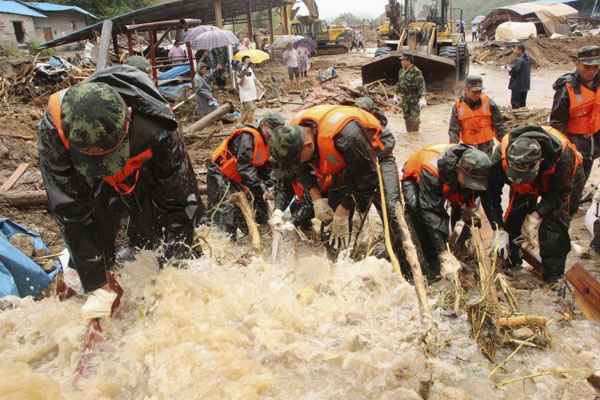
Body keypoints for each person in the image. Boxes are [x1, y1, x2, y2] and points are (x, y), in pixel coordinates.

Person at [38, 65, 204, 321]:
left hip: (144, 171)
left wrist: (175, 281)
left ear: (128, 121)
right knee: (95, 236)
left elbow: (179, 200)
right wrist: (96, 280)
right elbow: (70, 208)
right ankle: (91, 287)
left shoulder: (158, 126)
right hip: (90, 183)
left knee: (158, 234)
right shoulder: (54, 128)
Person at [269, 105, 406, 267]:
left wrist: (345, 208)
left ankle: (403, 261)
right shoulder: (293, 137)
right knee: (331, 221)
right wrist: (317, 199)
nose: (297, 164)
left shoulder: (347, 135)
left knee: (391, 211)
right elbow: (301, 170)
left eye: (297, 160)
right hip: (342, 163)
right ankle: (337, 263)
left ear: (308, 145)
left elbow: (367, 177)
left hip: (375, 157)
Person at [487, 125, 583, 284]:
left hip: (563, 182)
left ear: (540, 162)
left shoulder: (564, 158)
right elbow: (491, 194)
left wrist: (536, 215)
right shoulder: (500, 156)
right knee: (515, 216)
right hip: (528, 183)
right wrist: (498, 227)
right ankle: (511, 260)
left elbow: (558, 194)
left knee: (554, 227)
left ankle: (553, 277)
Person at [401, 144, 499, 278]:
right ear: (459, 170)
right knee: (417, 209)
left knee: (456, 210)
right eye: (469, 181)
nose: (471, 186)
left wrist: (470, 210)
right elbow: (432, 212)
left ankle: (452, 245)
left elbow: (478, 196)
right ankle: (431, 257)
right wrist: (443, 253)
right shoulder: (432, 170)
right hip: (415, 177)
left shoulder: (478, 167)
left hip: (449, 180)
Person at [207, 113, 286, 239]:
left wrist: (270, 185)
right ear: (264, 126)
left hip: (237, 175)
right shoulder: (247, 137)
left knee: (247, 206)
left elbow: (263, 166)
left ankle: (253, 233)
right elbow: (245, 168)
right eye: (272, 132)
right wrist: (261, 188)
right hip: (220, 171)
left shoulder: (267, 142)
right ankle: (223, 240)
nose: (274, 137)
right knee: (224, 208)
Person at [551, 46, 600, 214]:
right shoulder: (567, 89)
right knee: (570, 183)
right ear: (578, 64)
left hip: (594, 143)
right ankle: (564, 214)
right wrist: (566, 150)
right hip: (574, 144)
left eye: (596, 67)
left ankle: (572, 205)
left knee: (584, 176)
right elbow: (557, 123)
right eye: (587, 67)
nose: (592, 71)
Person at [448, 75, 505, 156]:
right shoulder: (458, 106)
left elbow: (499, 125)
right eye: (474, 92)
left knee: (486, 166)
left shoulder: (489, 103)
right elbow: (454, 130)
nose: (478, 94)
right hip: (469, 147)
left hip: (486, 146)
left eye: (480, 91)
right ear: (466, 90)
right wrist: (452, 149)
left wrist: (505, 143)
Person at [397, 53, 426, 134]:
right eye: (401, 60)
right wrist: (396, 94)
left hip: (414, 100)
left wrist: (422, 97)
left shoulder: (416, 72)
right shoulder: (401, 71)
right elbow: (399, 83)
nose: (402, 62)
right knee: (406, 118)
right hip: (405, 99)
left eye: (404, 60)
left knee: (414, 119)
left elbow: (421, 85)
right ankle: (409, 134)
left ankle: (415, 135)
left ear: (409, 61)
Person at [237, 55, 261, 125]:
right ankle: (249, 124)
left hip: (251, 94)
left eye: (249, 60)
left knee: (246, 111)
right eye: (247, 61)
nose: (249, 62)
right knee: (251, 109)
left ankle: (240, 125)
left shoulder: (250, 70)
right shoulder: (241, 70)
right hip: (245, 95)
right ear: (244, 62)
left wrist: (261, 86)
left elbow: (254, 79)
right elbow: (240, 83)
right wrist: (243, 75)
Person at [508, 44, 531, 109]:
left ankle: (516, 117)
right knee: (522, 103)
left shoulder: (519, 60)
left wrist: (509, 69)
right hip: (525, 85)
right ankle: (522, 117)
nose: (514, 50)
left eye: (515, 49)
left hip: (517, 85)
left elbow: (515, 71)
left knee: (515, 103)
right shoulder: (528, 59)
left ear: (520, 50)